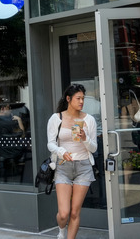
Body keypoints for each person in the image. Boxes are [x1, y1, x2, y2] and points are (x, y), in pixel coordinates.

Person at [47, 84, 97, 239]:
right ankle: (61, 230)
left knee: (75, 212)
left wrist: (84, 138)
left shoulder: (89, 119)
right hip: (63, 167)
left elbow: (94, 148)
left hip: (83, 167)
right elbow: (50, 143)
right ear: (68, 99)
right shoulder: (56, 118)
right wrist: (61, 151)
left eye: (83, 98)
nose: (81, 101)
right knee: (64, 213)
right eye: (78, 98)